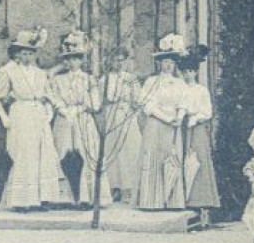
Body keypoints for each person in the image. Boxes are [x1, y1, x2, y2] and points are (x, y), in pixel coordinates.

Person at [0, 29, 69, 211]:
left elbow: (49, 96)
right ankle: (22, 201)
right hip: (20, 114)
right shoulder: (10, 73)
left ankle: (40, 200)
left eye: (31, 53)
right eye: (24, 52)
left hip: (38, 116)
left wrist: (49, 112)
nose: (27, 56)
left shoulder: (41, 74)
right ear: (18, 54)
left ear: (35, 54)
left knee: (42, 155)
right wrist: (4, 118)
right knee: (24, 156)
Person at [49, 31, 109, 209]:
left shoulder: (89, 79)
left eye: (76, 58)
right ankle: (64, 197)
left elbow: (95, 102)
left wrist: (80, 109)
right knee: (63, 152)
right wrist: (62, 109)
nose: (73, 62)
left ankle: (86, 196)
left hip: (83, 118)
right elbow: (53, 96)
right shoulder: (58, 79)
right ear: (65, 61)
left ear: (82, 61)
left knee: (86, 153)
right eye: (70, 59)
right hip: (64, 118)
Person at [135, 34, 187, 211]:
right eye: (165, 61)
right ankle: (151, 201)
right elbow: (146, 104)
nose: (168, 65)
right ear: (159, 63)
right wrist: (164, 117)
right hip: (156, 124)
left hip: (173, 126)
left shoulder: (180, 84)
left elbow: (183, 103)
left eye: (171, 62)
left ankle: (172, 200)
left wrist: (179, 118)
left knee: (171, 158)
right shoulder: (151, 82)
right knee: (152, 158)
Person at [177, 44, 220, 229]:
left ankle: (204, 209)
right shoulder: (179, 89)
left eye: (191, 71)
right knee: (181, 161)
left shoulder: (201, 90)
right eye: (185, 71)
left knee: (199, 162)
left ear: (196, 72)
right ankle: (184, 204)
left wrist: (196, 117)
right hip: (182, 128)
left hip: (198, 127)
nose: (188, 75)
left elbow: (208, 111)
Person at [100, 46, 142, 204]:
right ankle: (114, 187)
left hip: (127, 115)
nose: (119, 64)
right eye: (115, 60)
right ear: (110, 61)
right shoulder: (105, 79)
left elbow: (138, 99)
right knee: (112, 151)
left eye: (122, 60)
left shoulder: (131, 79)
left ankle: (130, 188)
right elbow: (103, 100)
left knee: (130, 149)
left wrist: (131, 99)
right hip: (112, 115)